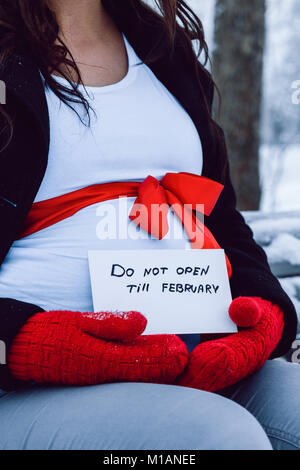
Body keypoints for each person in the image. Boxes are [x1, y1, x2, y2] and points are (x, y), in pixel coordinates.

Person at [0, 0, 299, 450]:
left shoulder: (161, 46)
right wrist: (27, 344)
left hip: (188, 356)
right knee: (217, 437)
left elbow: (220, 217)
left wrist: (266, 313)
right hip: (23, 387)